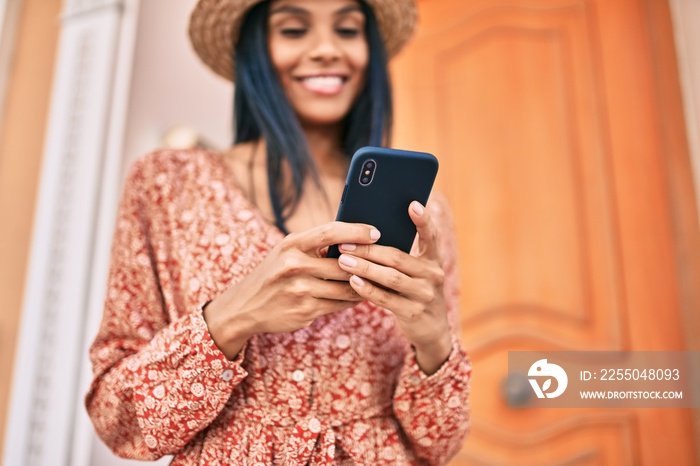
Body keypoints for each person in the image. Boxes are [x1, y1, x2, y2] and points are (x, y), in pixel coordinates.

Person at [85, 0, 471, 464]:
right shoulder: (168, 184)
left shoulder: (424, 214)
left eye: (347, 30)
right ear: (256, 50)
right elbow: (118, 421)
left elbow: (441, 446)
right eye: (293, 30)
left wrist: (434, 341)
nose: (327, 48)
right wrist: (230, 317)